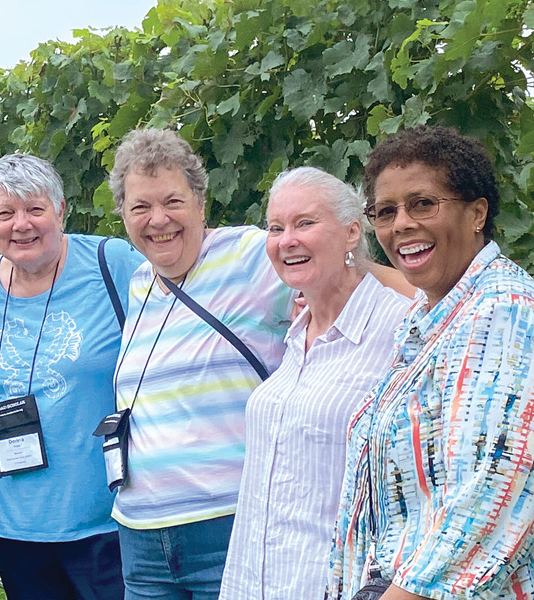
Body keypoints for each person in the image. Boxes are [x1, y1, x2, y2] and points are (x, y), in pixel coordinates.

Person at [327, 125, 534, 599]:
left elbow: (497, 491)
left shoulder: (511, 315)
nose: (401, 223)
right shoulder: (431, 323)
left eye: (423, 203)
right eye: (385, 211)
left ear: (477, 212)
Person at [103, 129, 295, 600]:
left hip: (229, 527)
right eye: (140, 207)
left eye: (172, 201)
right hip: (141, 534)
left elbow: (342, 279)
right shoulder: (140, 282)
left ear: (200, 202)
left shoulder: (250, 254)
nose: (158, 219)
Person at [0, 154, 143, 600]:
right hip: (16, 520)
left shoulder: (111, 263)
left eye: (35, 209)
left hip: (106, 514)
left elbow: (176, 312)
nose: (22, 225)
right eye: (5, 213)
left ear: (60, 209)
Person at [217, 167, 414, 600]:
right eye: (275, 227)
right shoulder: (296, 331)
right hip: (254, 581)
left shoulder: (400, 328)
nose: (287, 239)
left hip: (337, 585)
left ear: (350, 233)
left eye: (305, 223)